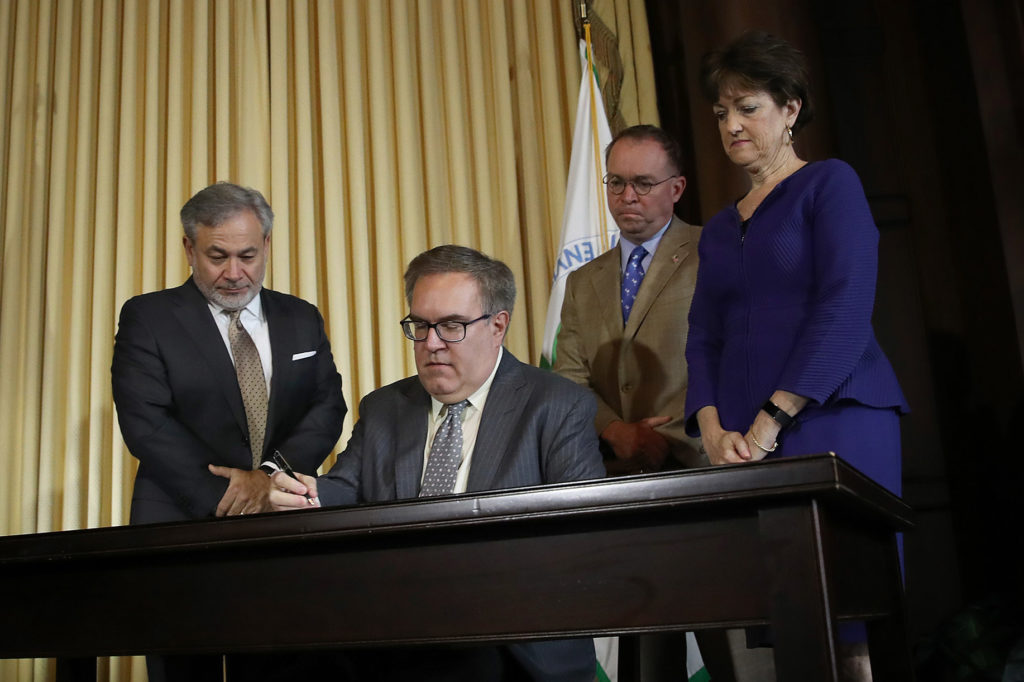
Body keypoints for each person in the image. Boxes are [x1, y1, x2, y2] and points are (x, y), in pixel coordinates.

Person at [271, 244, 604, 681]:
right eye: (421, 325)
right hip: (397, 630)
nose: (430, 344)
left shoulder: (557, 406)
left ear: (498, 326)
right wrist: (305, 493)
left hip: (509, 637)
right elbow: (344, 491)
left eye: (451, 326)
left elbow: (579, 538)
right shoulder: (385, 407)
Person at [686, 31, 909, 681]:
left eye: (747, 107)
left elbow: (843, 309)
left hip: (838, 423)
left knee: (852, 626)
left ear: (790, 108)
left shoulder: (830, 184)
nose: (732, 125)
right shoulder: (722, 227)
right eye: (721, 112)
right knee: (789, 628)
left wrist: (767, 424)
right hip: (747, 445)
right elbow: (702, 337)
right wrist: (711, 430)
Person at [111, 182, 346, 681]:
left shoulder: (301, 317)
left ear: (267, 246)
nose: (235, 273)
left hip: (284, 524)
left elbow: (327, 406)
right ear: (189, 248)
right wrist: (230, 493)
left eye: (248, 255)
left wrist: (267, 478)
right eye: (218, 256)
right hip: (180, 523)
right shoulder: (147, 317)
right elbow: (145, 422)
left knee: (283, 666)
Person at [554, 124, 706, 475]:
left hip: (698, 459)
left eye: (643, 183)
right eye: (617, 182)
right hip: (612, 467)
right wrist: (615, 430)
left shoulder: (712, 251)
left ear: (677, 188)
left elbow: (728, 357)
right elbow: (569, 380)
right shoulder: (581, 281)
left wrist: (664, 436)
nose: (628, 196)